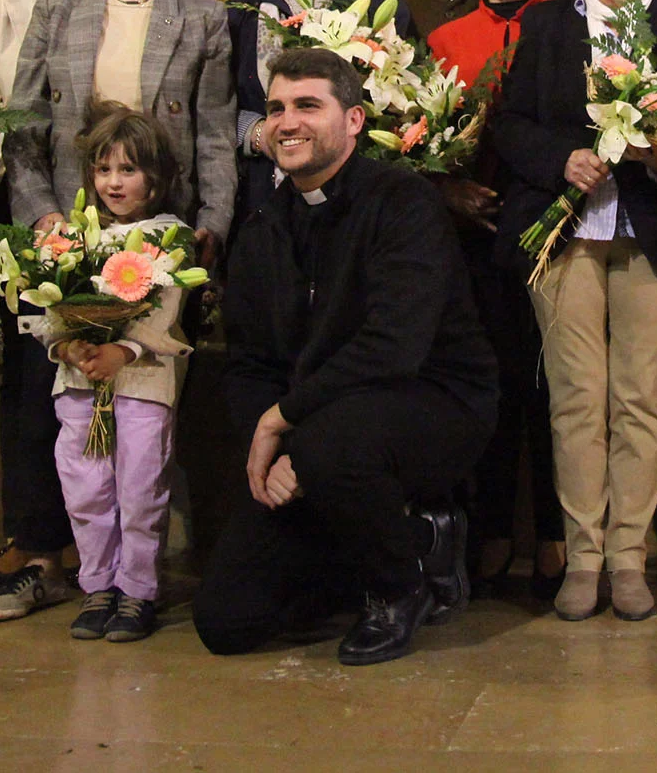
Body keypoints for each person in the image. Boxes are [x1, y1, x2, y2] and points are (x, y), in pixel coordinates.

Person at [193, 49, 499, 667]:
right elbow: (250, 360)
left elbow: (395, 346)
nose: (288, 122)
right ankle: (413, 538)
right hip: (317, 425)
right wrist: (274, 443)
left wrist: (285, 422)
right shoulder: (263, 226)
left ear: (354, 120)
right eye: (277, 108)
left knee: (334, 444)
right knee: (227, 620)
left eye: (309, 105)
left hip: (431, 402)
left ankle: (399, 587)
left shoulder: (404, 203)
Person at [491, 0, 657, 624]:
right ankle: (582, 555)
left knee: (639, 399)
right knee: (577, 399)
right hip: (567, 235)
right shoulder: (548, 24)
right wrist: (565, 157)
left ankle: (630, 556)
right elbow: (510, 125)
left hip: (652, 232)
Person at [0, 0, 97, 624]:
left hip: (106, 191)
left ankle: (98, 543)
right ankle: (33, 539)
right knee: (29, 380)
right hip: (24, 196)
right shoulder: (0, 0)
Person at [425, 0, 564, 603]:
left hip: (557, 229)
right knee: (494, 383)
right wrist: (452, 192)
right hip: (477, 237)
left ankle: (553, 529)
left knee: (550, 385)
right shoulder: (448, 38)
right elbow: (429, 137)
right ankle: (490, 533)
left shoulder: (564, 24)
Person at [5, 0, 236, 255]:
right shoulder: (56, 9)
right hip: (68, 226)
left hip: (166, 229)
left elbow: (215, 137)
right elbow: (23, 126)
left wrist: (212, 224)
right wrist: (44, 215)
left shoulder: (204, 18)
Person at [52, 104, 195, 645]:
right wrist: (65, 343)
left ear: (154, 178)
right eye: (104, 169)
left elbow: (165, 313)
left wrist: (126, 351)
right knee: (86, 488)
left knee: (139, 488)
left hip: (141, 385)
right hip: (79, 384)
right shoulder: (72, 235)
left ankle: (137, 589)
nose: (114, 182)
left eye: (128, 170)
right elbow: (47, 304)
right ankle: (98, 585)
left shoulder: (169, 237)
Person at [229, 0, 411, 221]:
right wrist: (257, 134)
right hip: (260, 196)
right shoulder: (239, 14)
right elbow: (213, 107)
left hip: (359, 198)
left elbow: (402, 105)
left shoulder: (383, 12)